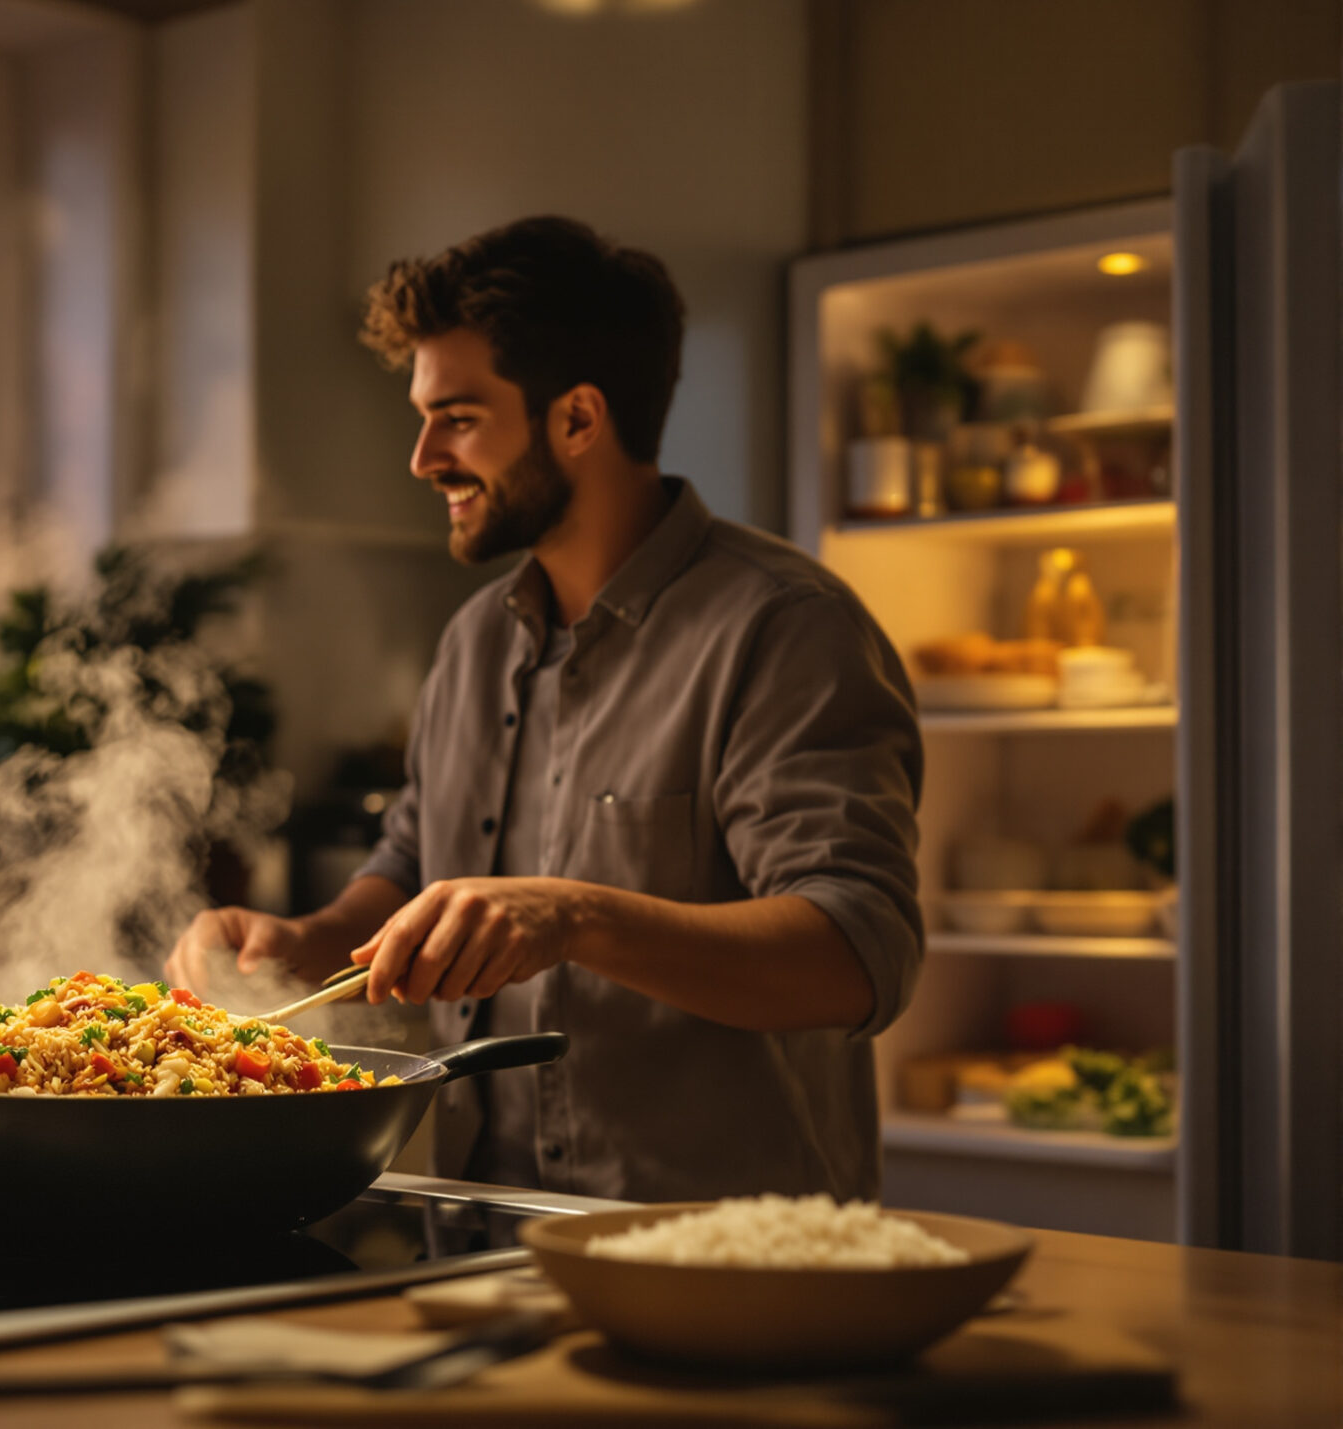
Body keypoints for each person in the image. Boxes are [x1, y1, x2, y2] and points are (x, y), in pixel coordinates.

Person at [166, 217, 922, 1203]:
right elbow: (408, 863)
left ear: (577, 420)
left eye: (460, 417)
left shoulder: (785, 630)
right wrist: (301, 939)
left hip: (722, 1258)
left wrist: (570, 915)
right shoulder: (477, 638)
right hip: (482, 1230)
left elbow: (854, 955)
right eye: (423, 416)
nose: (422, 457)